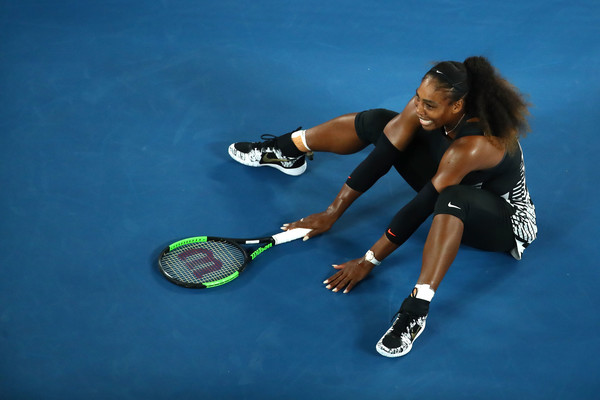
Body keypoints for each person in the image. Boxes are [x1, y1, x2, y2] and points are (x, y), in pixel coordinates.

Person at [228, 56, 537, 357]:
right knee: (380, 122)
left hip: (502, 223)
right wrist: (330, 213)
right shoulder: (427, 107)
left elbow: (421, 207)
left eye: (429, 105)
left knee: (451, 197)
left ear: (457, 106)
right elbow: (383, 155)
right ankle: (286, 151)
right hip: (455, 179)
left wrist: (368, 261)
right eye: (419, 98)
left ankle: (416, 310)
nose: (419, 108)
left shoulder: (474, 146)